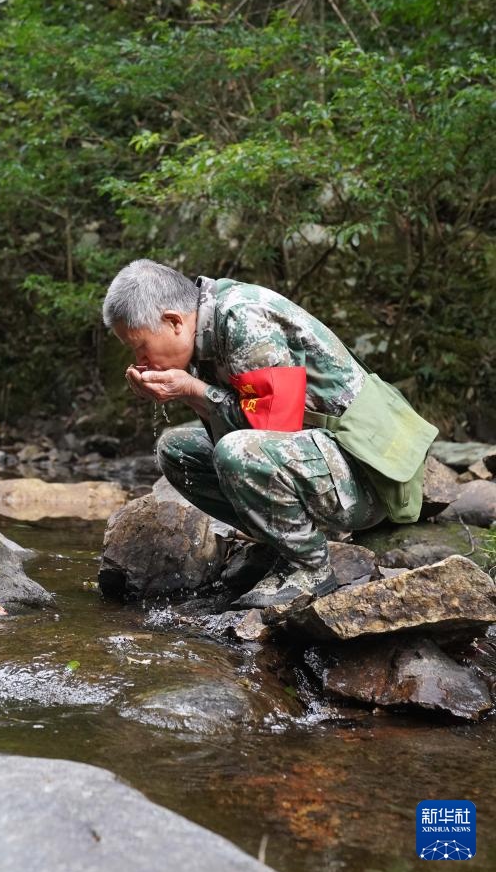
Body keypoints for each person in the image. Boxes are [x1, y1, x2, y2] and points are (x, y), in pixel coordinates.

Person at [102, 259, 437, 615]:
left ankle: (310, 566)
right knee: (175, 449)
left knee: (238, 451)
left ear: (174, 322)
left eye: (141, 348)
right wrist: (189, 391)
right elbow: (246, 427)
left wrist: (194, 391)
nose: (140, 360)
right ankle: (282, 540)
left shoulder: (243, 319)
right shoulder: (204, 333)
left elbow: (270, 429)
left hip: (368, 476)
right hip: (319, 461)